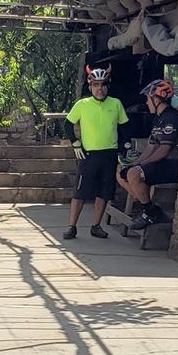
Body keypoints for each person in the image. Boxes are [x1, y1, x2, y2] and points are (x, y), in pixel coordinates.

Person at [62, 66, 127, 240]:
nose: (100, 88)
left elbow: (124, 127)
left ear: (108, 86)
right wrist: (76, 144)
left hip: (109, 155)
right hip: (88, 155)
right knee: (80, 192)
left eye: (103, 84)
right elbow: (68, 124)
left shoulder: (116, 104)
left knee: (104, 192)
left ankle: (96, 226)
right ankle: (71, 227)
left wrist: (124, 147)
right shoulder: (82, 104)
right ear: (90, 87)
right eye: (96, 85)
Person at [120, 78, 178, 231]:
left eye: (148, 99)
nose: (146, 102)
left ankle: (149, 211)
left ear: (156, 99)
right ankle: (149, 207)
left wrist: (140, 166)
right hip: (161, 164)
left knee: (134, 174)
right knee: (121, 172)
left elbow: (163, 150)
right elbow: (151, 147)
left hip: (173, 164)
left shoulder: (171, 118)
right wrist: (135, 163)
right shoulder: (158, 118)